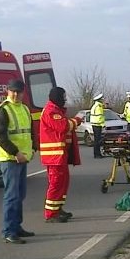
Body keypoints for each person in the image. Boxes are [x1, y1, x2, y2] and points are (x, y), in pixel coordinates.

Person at [0, 78, 35, 244]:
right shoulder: (2, 110)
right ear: (7, 91)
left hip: (22, 157)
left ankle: (16, 226)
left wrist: (33, 149)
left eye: (19, 92)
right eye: (13, 91)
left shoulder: (24, 109)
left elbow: (30, 131)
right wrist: (16, 152)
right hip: (10, 158)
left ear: (23, 93)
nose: (16, 94)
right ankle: (8, 231)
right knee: (12, 196)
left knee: (20, 194)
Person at [40, 87, 81, 223]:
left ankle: (58, 208)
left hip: (60, 155)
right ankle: (51, 214)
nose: (64, 100)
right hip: (54, 156)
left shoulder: (57, 110)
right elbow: (63, 126)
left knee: (63, 182)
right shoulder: (51, 111)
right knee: (56, 183)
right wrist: (76, 121)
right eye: (63, 97)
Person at [89, 93, 105, 159]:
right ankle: (97, 154)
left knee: (96, 140)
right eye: (102, 99)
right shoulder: (99, 106)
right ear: (99, 100)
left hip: (94, 124)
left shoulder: (95, 106)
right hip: (98, 124)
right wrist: (103, 125)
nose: (103, 100)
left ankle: (96, 153)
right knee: (97, 140)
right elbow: (100, 117)